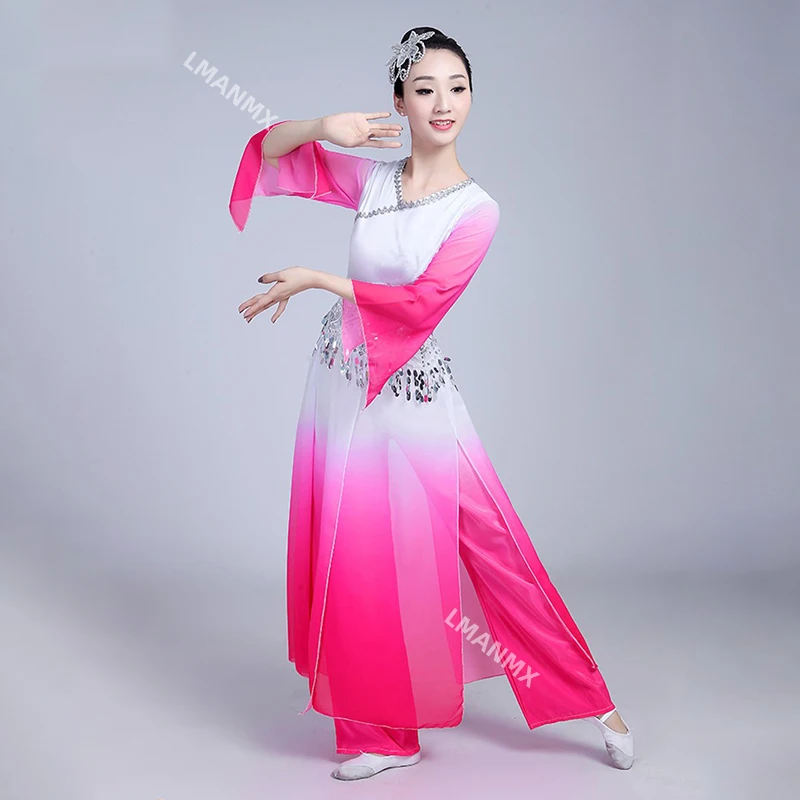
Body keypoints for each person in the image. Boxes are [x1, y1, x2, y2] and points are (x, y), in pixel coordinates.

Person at [230, 26, 635, 782]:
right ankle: (386, 734)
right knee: (358, 557)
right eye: (425, 89)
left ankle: (596, 702)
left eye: (457, 88)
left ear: (472, 97)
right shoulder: (372, 182)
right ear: (400, 101)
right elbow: (269, 153)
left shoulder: (477, 211)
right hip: (345, 385)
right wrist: (322, 127)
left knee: (494, 549)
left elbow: (418, 305)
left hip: (413, 398)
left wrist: (318, 280)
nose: (443, 103)